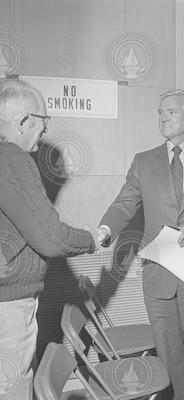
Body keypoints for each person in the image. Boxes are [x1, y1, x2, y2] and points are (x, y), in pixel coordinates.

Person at [98, 89, 184, 400]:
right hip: (158, 275)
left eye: (171, 112)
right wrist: (105, 229)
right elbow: (124, 204)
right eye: (160, 112)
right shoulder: (144, 161)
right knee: (167, 360)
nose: (163, 117)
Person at [0, 79, 99, 400]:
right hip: (9, 307)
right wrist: (92, 239)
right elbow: (51, 238)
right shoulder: (12, 157)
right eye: (44, 121)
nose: (44, 131)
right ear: (22, 121)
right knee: (13, 387)